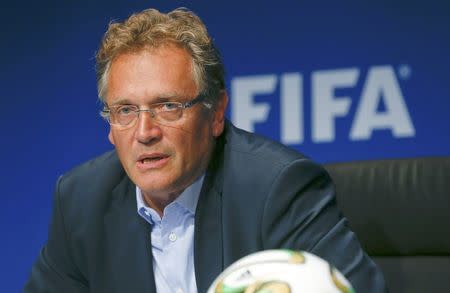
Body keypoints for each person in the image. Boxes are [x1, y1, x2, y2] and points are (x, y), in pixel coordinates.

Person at [24, 7, 386, 293]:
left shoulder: (277, 189)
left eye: (168, 106)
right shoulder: (82, 201)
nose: (145, 132)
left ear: (216, 114)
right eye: (125, 111)